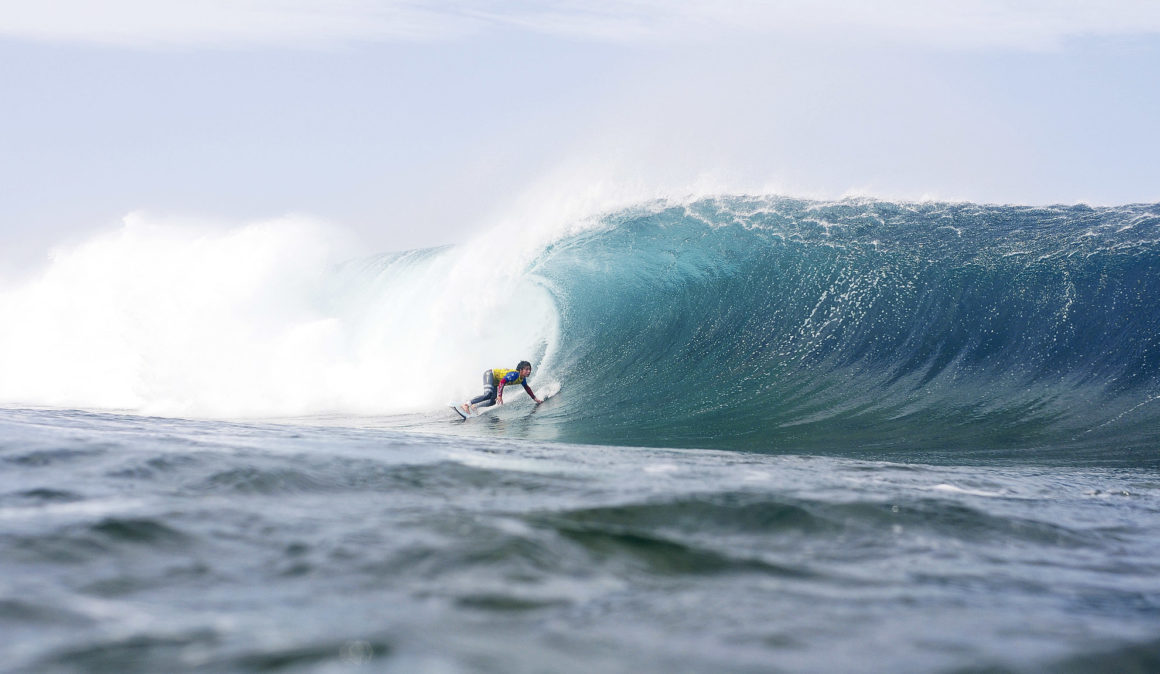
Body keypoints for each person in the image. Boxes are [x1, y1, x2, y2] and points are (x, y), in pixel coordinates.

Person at [463, 360, 542, 414]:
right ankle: (466, 404)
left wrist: (535, 399)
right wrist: (500, 396)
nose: (529, 371)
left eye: (530, 369)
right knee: (488, 394)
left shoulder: (522, 379)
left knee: (492, 401)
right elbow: (502, 382)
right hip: (490, 374)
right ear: (521, 370)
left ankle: (475, 406)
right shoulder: (515, 374)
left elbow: (527, 388)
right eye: (527, 369)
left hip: (495, 381)